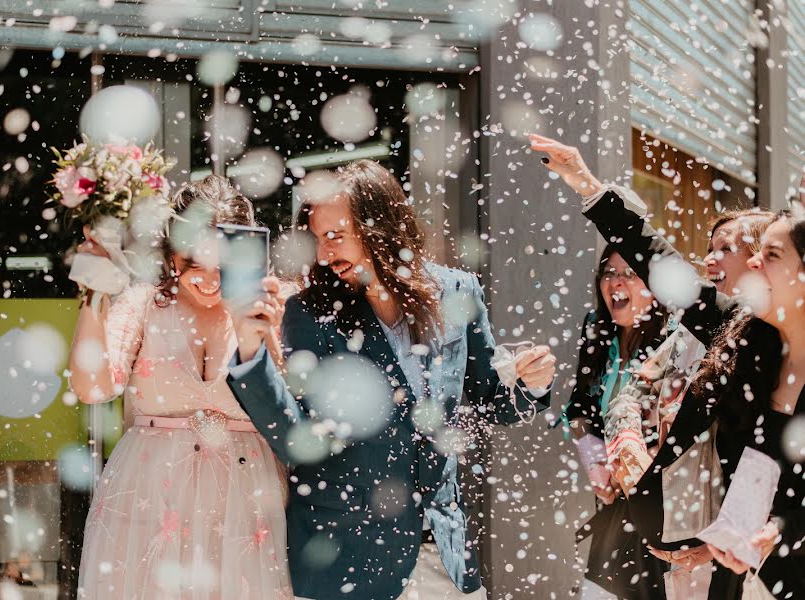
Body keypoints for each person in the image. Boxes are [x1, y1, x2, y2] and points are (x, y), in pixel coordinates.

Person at [225, 159, 556, 600]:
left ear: (378, 225)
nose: (323, 254)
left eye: (335, 236)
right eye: (317, 239)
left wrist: (531, 383)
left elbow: (489, 402)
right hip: (346, 558)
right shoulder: (313, 314)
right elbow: (295, 439)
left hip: (444, 554)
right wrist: (251, 355)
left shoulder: (459, 293)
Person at [531, 133, 805, 599]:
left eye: (772, 255)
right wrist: (587, 184)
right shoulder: (745, 332)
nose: (755, 261)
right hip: (738, 574)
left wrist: (782, 530)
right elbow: (662, 265)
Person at [72, 177, 292, 599]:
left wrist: (272, 333)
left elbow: (295, 406)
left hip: (246, 502)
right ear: (173, 254)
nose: (209, 280)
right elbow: (92, 389)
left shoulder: (271, 305)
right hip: (151, 495)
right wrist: (93, 296)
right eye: (194, 262)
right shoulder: (143, 305)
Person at [601, 209, 772, 575]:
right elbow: (629, 396)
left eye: (725, 248)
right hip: (659, 530)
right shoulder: (684, 335)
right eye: (709, 248)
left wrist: (723, 544)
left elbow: (766, 461)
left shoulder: (767, 348)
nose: (709, 258)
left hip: (729, 549)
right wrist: (628, 448)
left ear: (760, 259)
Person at [562, 243, 670, 599]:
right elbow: (579, 407)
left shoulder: (673, 339)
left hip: (658, 502)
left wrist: (635, 467)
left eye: (630, 273)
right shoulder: (597, 329)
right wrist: (595, 463)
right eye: (609, 272)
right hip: (611, 503)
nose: (616, 282)